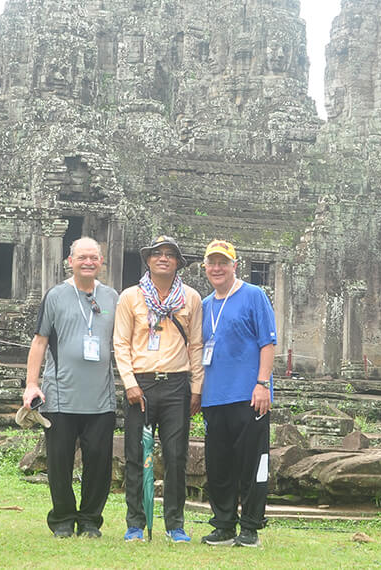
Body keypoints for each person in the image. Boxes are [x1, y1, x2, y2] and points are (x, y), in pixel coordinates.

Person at [22, 237, 119, 539]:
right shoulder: (56, 296)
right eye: (82, 257)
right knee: (59, 463)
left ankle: (91, 520)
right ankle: (63, 519)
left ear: (101, 261)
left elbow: (124, 344)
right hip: (60, 395)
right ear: (70, 260)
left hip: (101, 398)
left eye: (94, 257)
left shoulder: (114, 298)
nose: (88, 262)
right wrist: (31, 384)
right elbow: (39, 341)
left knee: (99, 465)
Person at [113, 235, 204, 543]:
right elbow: (121, 343)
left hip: (177, 384)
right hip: (141, 383)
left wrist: (197, 387)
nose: (163, 258)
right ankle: (136, 523)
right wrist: (129, 383)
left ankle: (175, 525)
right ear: (148, 260)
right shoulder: (130, 297)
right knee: (136, 454)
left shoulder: (190, 298)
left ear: (178, 262)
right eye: (157, 254)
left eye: (170, 254)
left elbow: (196, 344)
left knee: (176, 456)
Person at [198, 239, 276, 548]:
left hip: (248, 395)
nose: (217, 268)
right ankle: (224, 524)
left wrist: (262, 384)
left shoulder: (254, 295)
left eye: (223, 262)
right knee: (218, 465)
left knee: (252, 464)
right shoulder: (204, 305)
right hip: (214, 398)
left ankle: (251, 527)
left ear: (235, 265)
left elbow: (267, 343)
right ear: (205, 268)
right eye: (212, 263)